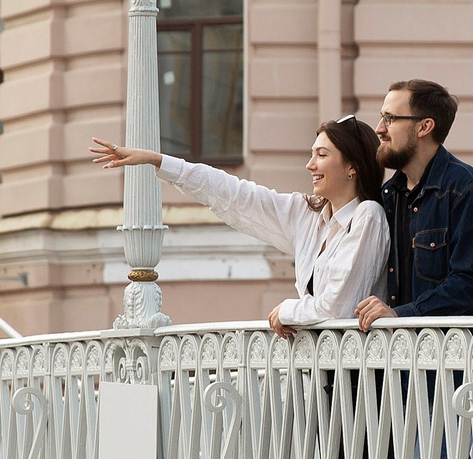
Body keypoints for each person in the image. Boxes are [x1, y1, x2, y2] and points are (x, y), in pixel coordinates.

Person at [89, 117, 390, 333]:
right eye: (311, 154)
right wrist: (160, 161)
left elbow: (336, 309)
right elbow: (236, 194)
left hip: (354, 384)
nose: (309, 165)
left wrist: (286, 310)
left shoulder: (368, 216)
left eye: (321, 155)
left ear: (353, 166)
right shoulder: (309, 214)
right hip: (316, 374)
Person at [354, 79, 473, 327]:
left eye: (390, 118)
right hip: (403, 356)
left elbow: (468, 284)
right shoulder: (389, 195)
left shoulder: (466, 189)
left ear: (424, 127)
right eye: (382, 117)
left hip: (458, 359)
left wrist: (401, 315)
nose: (379, 128)